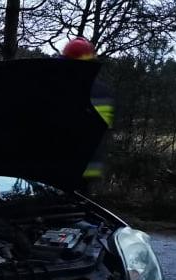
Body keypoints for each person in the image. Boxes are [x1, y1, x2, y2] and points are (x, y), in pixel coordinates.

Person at [62, 37, 114, 192]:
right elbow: (105, 130)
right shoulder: (103, 91)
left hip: (66, 165)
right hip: (90, 166)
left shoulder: (64, 89)